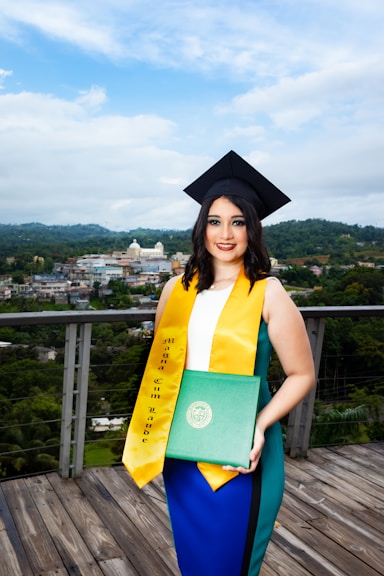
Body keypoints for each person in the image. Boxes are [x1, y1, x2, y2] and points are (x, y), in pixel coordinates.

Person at [123, 150, 315, 576]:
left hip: (241, 450)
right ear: (202, 227)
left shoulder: (268, 293)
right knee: (195, 563)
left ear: (252, 229)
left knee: (231, 562)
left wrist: (259, 425)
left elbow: (302, 375)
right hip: (184, 451)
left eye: (237, 222)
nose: (225, 234)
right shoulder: (176, 289)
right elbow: (164, 366)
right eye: (215, 221)